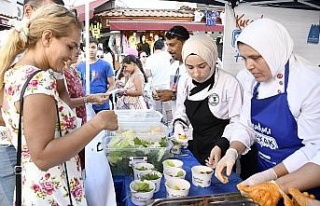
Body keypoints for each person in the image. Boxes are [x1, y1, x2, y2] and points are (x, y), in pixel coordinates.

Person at [0, 4, 118, 205]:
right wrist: (97, 124)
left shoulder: (15, 73)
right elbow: (43, 156)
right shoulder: (38, 81)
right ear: (47, 38)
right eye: (70, 46)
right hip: (54, 195)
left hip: (36, 190)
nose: (73, 56)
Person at [212, 18, 320, 199]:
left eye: (255, 57)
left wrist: (272, 177)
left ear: (274, 51)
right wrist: (232, 151)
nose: (249, 66)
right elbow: (245, 125)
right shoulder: (248, 79)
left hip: (302, 180)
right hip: (263, 169)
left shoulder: (309, 83)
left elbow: (314, 148)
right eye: (245, 58)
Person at [173, 33, 243, 165]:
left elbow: (237, 121)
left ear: (212, 60)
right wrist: (179, 125)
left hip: (222, 148)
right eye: (190, 67)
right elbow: (181, 109)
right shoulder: (185, 81)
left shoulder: (229, 83)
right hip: (195, 144)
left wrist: (222, 145)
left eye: (202, 66)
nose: (196, 73)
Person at [77, 37, 116, 113]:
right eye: (88, 47)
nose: (91, 50)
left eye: (93, 47)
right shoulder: (80, 66)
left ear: (97, 48)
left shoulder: (105, 65)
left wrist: (105, 95)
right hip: (86, 103)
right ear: (84, 49)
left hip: (102, 104)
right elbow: (79, 83)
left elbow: (112, 84)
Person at [145, 39, 172, 122]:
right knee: (169, 110)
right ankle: (171, 127)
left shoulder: (149, 59)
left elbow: (148, 74)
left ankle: (160, 127)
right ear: (163, 47)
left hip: (155, 86)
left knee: (158, 111)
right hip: (166, 86)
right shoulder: (168, 57)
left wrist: (152, 87)